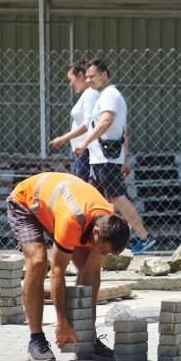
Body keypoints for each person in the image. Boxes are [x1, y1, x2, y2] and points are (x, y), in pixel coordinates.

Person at [7, 172, 131, 361]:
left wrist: (89, 329)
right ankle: (36, 339)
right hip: (26, 203)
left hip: (57, 207)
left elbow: (91, 273)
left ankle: (85, 341)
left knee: (85, 264)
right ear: (96, 232)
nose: (102, 254)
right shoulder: (72, 221)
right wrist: (62, 322)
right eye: (102, 249)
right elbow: (57, 273)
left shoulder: (108, 222)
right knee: (38, 262)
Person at [73, 59, 157, 254]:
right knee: (98, 200)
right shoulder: (105, 95)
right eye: (87, 77)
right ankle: (98, 239)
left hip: (105, 159)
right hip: (102, 158)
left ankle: (143, 236)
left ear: (105, 75)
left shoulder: (109, 95)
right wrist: (124, 159)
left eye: (92, 76)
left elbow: (106, 122)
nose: (89, 80)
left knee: (117, 197)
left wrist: (85, 142)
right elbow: (123, 131)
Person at [48, 59, 98, 181]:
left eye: (71, 79)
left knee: (80, 193)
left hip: (86, 152)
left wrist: (63, 138)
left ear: (80, 76)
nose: (70, 84)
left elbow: (87, 124)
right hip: (82, 153)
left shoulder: (90, 94)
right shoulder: (87, 94)